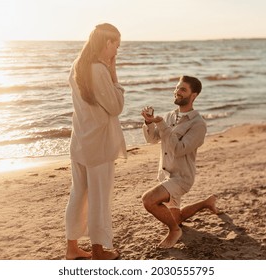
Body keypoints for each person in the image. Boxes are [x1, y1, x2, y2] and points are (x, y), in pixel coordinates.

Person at [65, 23, 126, 260]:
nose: (117, 52)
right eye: (116, 46)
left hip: (80, 140)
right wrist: (115, 76)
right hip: (98, 144)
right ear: (107, 43)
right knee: (99, 198)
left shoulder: (77, 66)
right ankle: (98, 251)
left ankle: (72, 248)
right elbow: (116, 106)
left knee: (78, 195)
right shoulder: (99, 70)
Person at [141, 75, 218, 248]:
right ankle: (207, 202)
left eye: (183, 89)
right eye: (177, 88)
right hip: (165, 175)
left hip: (182, 178)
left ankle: (174, 231)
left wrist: (162, 125)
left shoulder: (198, 125)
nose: (177, 92)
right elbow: (152, 140)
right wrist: (148, 122)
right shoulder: (169, 116)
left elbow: (178, 149)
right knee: (176, 218)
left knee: (148, 200)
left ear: (194, 95)